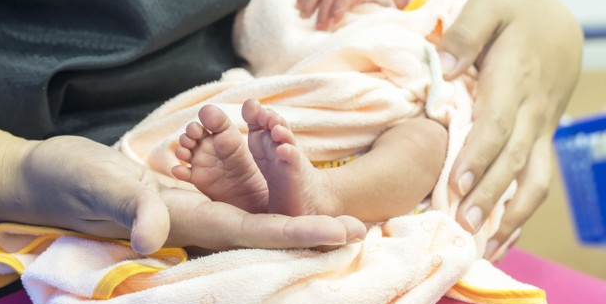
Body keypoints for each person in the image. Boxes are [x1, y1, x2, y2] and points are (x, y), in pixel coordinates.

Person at [0, 0, 581, 297]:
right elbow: (272, 26)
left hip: (402, 101)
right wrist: (13, 170)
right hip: (137, 158)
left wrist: (553, 29)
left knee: (423, 138)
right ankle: (306, 189)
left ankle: (326, 191)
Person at [294, 0, 584, 259]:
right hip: (317, 94)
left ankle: (327, 194)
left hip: (424, 113)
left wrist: (558, 26)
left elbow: (477, 16)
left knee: (425, 143)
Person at [172, 99, 446, 221]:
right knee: (426, 138)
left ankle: (323, 194)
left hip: (377, 137)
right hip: (303, 125)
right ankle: (262, 196)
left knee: (428, 135)